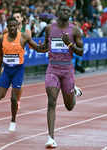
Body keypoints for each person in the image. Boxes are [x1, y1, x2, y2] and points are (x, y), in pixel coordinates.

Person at [37, 4, 84, 148]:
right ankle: (51, 138)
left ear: (70, 14)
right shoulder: (50, 28)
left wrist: (69, 44)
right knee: (52, 101)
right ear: (57, 12)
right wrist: (40, 48)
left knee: (69, 106)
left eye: (68, 10)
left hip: (67, 69)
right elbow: (46, 45)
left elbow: (81, 52)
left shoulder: (75, 30)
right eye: (63, 10)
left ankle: (74, 91)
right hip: (52, 68)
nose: (65, 12)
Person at [0, 17, 40, 132]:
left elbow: (36, 48)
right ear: (7, 27)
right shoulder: (2, 38)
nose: (12, 28)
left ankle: (13, 121)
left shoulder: (23, 37)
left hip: (18, 70)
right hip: (7, 70)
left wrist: (44, 47)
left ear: (18, 26)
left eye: (14, 25)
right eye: (10, 26)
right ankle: (8, 88)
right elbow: (0, 56)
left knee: (14, 98)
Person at [0, 11, 31, 110]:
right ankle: (5, 86)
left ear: (21, 19)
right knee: (1, 89)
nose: (16, 18)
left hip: (18, 62)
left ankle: (17, 100)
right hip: (7, 61)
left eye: (18, 17)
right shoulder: (6, 29)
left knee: (18, 86)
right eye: (14, 17)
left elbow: (31, 45)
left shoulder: (26, 31)